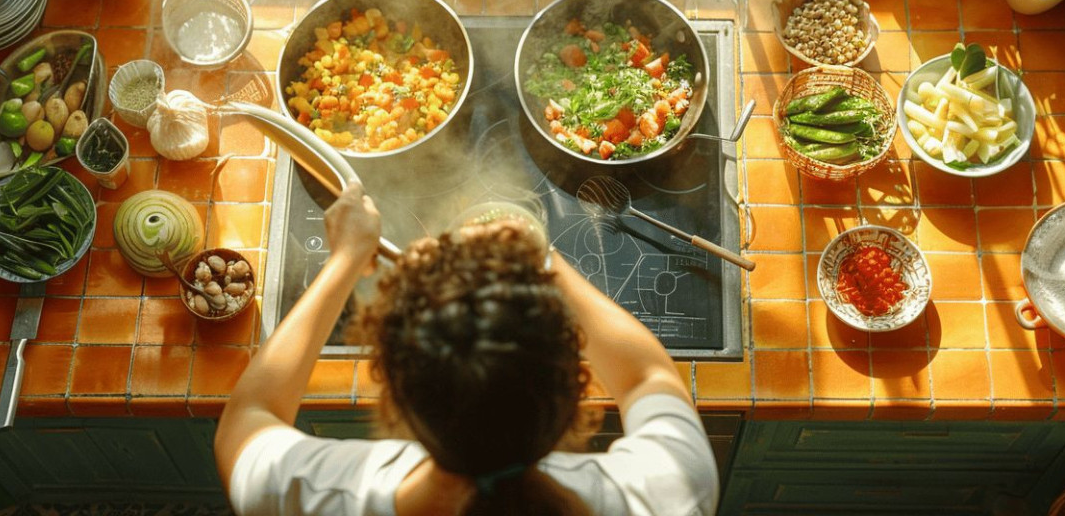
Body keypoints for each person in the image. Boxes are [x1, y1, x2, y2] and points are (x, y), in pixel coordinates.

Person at [215, 182, 719, 516]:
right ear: (575, 395)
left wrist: (345, 259)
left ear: (393, 401)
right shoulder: (667, 492)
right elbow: (647, 378)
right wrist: (539, 262)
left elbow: (249, 418)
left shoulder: (322, 495)